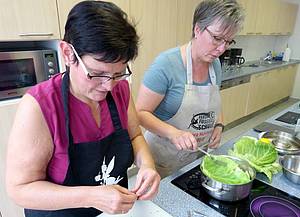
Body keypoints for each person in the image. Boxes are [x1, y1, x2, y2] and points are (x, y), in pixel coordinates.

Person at [6, 1, 160, 217]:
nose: (109, 86)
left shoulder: (120, 89)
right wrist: (92, 196)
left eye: (117, 74)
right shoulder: (39, 106)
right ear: (68, 53)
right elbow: (20, 189)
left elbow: (134, 136)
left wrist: (147, 166)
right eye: (97, 73)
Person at [136, 0, 244, 178]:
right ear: (197, 29)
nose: (222, 49)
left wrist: (219, 124)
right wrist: (173, 133)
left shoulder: (215, 65)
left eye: (228, 41)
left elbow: (214, 104)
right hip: (162, 162)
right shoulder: (166, 65)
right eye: (217, 38)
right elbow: (139, 113)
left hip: (195, 158)